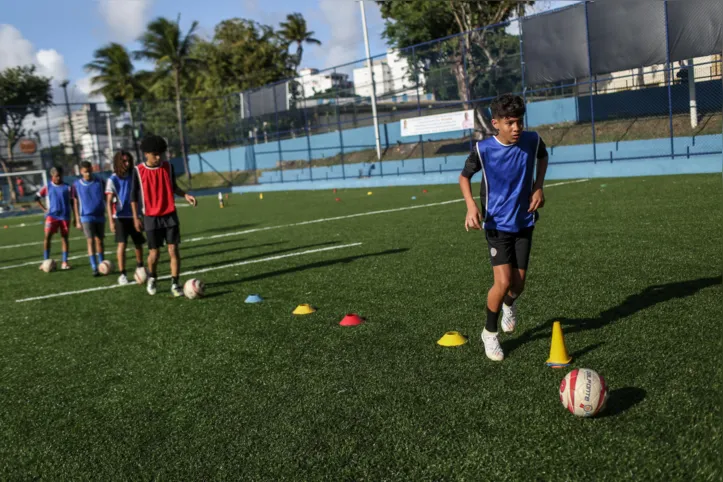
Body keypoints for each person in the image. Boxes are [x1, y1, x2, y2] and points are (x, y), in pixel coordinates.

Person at [458, 93, 549, 362]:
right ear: (495, 123)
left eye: (519, 121)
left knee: (518, 286)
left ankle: (509, 305)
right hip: (497, 225)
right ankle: (489, 332)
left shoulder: (532, 141)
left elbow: (543, 158)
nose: (516, 127)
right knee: (503, 281)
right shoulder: (483, 150)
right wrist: (471, 206)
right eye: (509, 122)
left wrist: (538, 185)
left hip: (524, 221)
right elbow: (464, 177)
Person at [131, 135, 197, 297]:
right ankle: (153, 278)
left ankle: (175, 283)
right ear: (146, 154)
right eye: (155, 154)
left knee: (173, 250)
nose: (159, 157)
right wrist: (135, 217)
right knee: (154, 254)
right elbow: (133, 196)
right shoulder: (138, 171)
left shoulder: (168, 167)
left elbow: (173, 186)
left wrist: (185, 195)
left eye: (161, 154)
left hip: (170, 215)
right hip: (151, 217)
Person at [106, 151, 146, 285]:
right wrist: (111, 221)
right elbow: (108, 201)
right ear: (118, 162)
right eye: (124, 161)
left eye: (129, 161)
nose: (127, 164)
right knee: (122, 244)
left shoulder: (134, 176)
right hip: (120, 217)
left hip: (135, 215)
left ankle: (140, 267)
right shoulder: (112, 179)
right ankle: (122, 274)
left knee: (138, 243)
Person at [35, 166, 74, 270]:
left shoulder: (68, 187)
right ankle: (45, 260)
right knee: (47, 236)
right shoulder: (47, 187)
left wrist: (75, 216)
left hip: (65, 216)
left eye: (60, 175)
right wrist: (44, 209)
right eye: (56, 176)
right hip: (52, 216)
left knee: (64, 238)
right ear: (52, 176)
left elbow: (72, 202)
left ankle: (65, 262)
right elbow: (36, 197)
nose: (58, 178)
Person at [73, 161, 107, 276]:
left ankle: (101, 263)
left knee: (100, 240)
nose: (87, 174)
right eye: (85, 172)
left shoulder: (100, 181)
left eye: (89, 171)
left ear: (92, 169)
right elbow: (75, 202)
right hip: (86, 216)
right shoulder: (77, 185)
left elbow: (107, 196)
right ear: (81, 172)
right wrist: (77, 219)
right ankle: (94, 267)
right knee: (90, 240)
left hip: (99, 215)